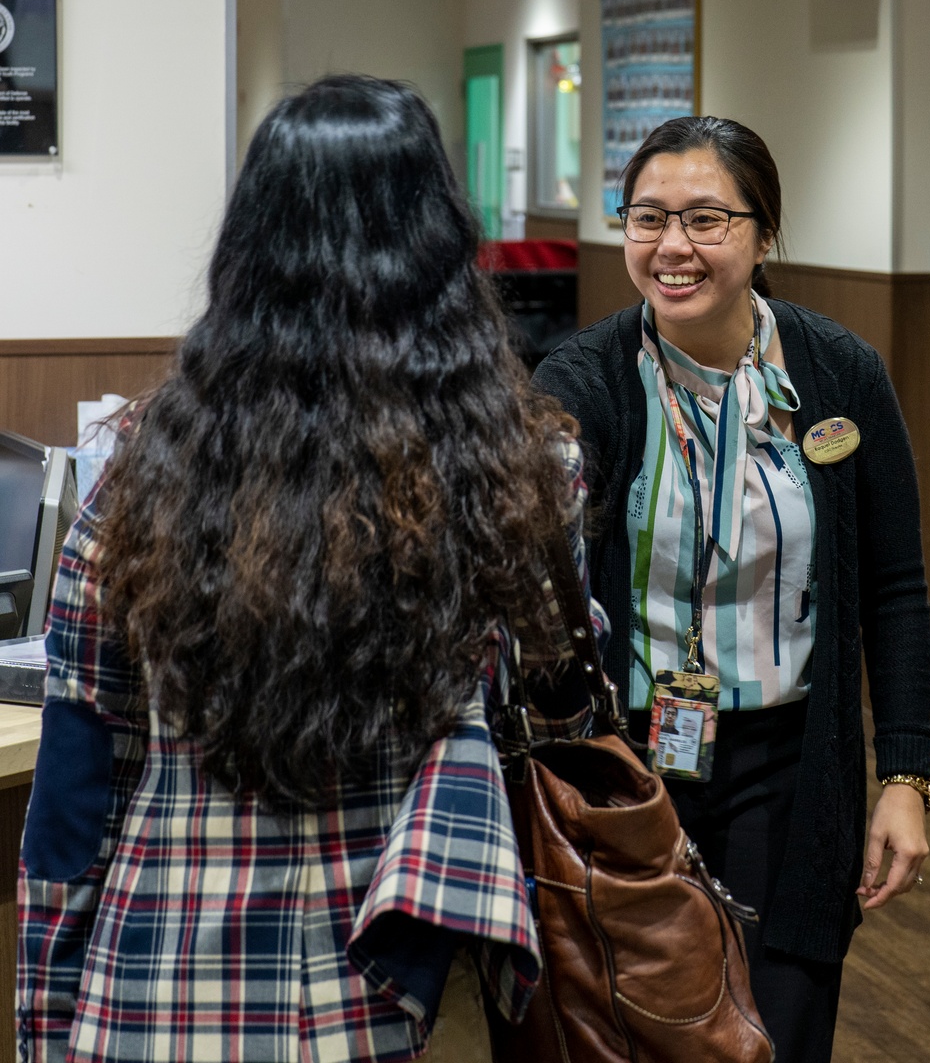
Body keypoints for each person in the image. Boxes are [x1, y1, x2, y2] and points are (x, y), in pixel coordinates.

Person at [17, 75, 606, 1063]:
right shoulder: (526, 472)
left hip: (164, 984)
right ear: (440, 244)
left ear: (249, 244)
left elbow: (81, 770)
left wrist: (44, 1006)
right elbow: (559, 712)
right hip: (413, 984)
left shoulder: (143, 470)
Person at [534, 115, 930, 1063]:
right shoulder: (582, 380)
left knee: (780, 1028)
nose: (672, 246)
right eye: (647, 217)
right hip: (626, 766)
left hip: (792, 767)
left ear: (764, 235)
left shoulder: (842, 374)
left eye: (706, 220)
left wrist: (906, 778)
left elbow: (897, 588)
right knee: (634, 1028)